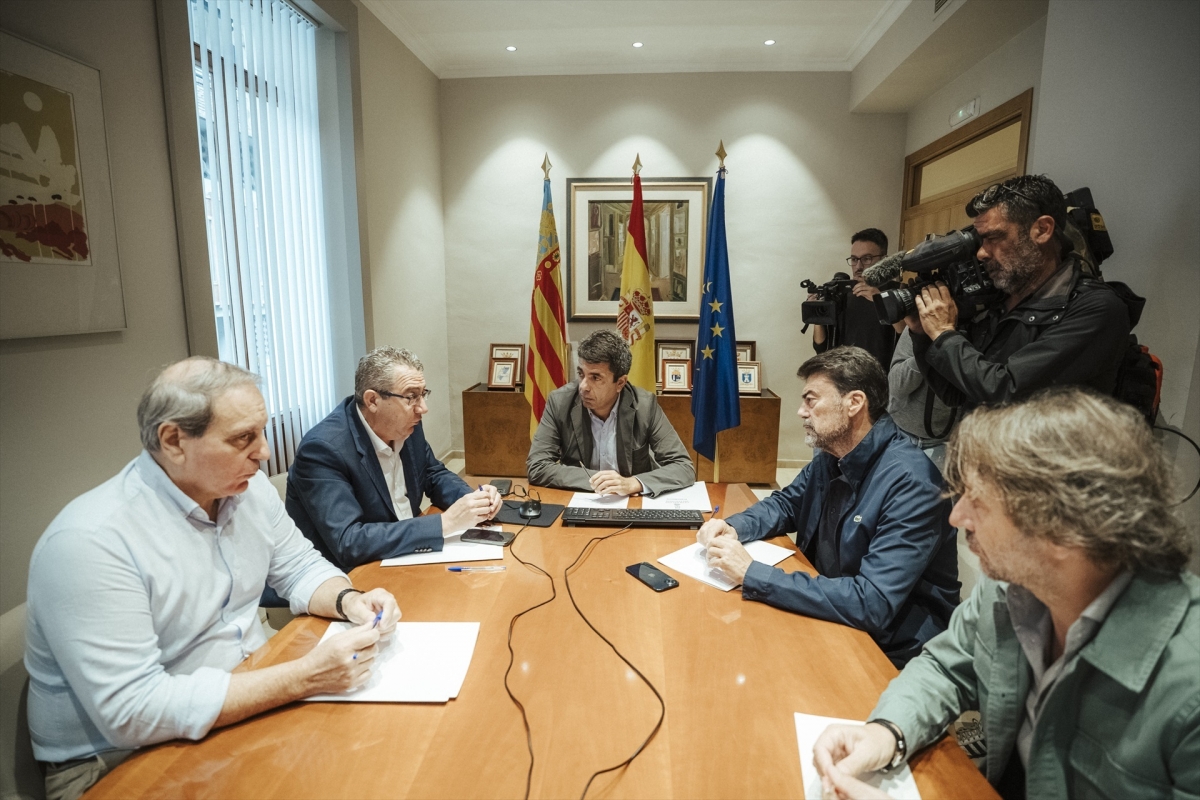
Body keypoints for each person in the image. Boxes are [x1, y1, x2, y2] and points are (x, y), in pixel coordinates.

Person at [25, 357, 401, 800]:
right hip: (116, 762)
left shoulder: (247, 490)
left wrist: (350, 600)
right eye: (243, 438)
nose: (263, 452)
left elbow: (299, 566)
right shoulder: (91, 541)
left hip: (241, 697)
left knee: (381, 764)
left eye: (261, 432)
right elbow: (133, 712)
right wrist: (304, 676)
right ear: (173, 441)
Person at [812, 388, 1199, 800]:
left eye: (977, 502)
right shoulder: (1011, 587)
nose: (957, 516)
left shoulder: (1187, 685)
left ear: (1063, 530)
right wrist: (887, 733)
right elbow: (946, 667)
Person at [697, 346, 959, 667]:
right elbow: (785, 505)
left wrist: (753, 573)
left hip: (891, 646)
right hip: (832, 606)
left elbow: (872, 603)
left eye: (811, 400)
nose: (801, 412)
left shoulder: (912, 482)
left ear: (854, 403)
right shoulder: (832, 455)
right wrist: (733, 526)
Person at [908, 174, 1131, 410]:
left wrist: (944, 335)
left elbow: (1006, 391)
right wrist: (923, 335)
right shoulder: (998, 299)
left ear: (1042, 230)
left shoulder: (1096, 308)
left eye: (993, 237)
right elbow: (957, 395)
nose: (981, 253)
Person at [287, 347, 500, 571]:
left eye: (423, 394)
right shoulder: (323, 449)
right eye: (411, 397)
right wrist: (444, 524)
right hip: (348, 576)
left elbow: (432, 473)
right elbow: (349, 542)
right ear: (372, 401)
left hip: (406, 553)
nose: (423, 408)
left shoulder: (406, 425)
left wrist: (475, 501)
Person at [526, 329, 695, 496]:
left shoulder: (644, 406)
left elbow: (683, 467)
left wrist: (633, 483)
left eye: (595, 377)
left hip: (632, 504)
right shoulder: (560, 402)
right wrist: (602, 482)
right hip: (580, 501)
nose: (583, 386)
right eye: (581, 374)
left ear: (620, 383)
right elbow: (537, 466)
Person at [811, 228, 898, 370]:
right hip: (843, 378)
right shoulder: (841, 293)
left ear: (884, 259)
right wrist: (817, 315)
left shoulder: (896, 291)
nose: (858, 266)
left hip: (881, 381)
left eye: (867, 259)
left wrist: (880, 300)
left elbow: (906, 335)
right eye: (854, 259)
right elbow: (821, 348)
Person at [887, 328, 955, 470]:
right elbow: (895, 387)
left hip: (946, 443)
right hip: (897, 433)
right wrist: (925, 350)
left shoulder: (979, 330)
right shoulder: (919, 325)